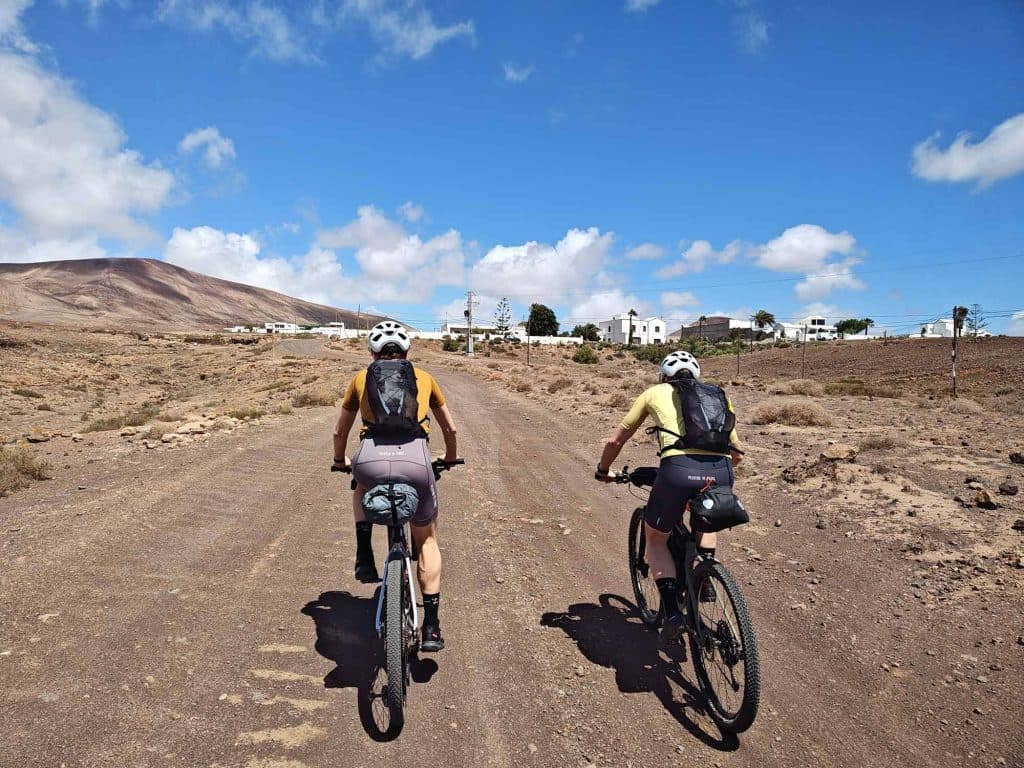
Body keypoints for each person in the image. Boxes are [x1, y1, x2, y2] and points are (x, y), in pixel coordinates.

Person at [594, 350, 742, 640]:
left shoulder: (654, 392)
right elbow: (737, 453)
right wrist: (712, 473)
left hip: (677, 471)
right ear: (697, 376)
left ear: (664, 375)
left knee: (656, 538)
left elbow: (616, 440)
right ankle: (704, 574)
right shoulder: (718, 395)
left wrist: (603, 469)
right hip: (722, 471)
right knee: (704, 519)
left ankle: (673, 612)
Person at [332, 321, 459, 652]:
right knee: (427, 538)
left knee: (359, 483)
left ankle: (363, 554)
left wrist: (340, 459)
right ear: (406, 351)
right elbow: (451, 430)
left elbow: (339, 433)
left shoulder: (361, 378)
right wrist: (450, 458)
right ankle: (430, 627)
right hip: (416, 460)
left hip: (372, 459)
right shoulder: (425, 378)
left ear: (372, 352)